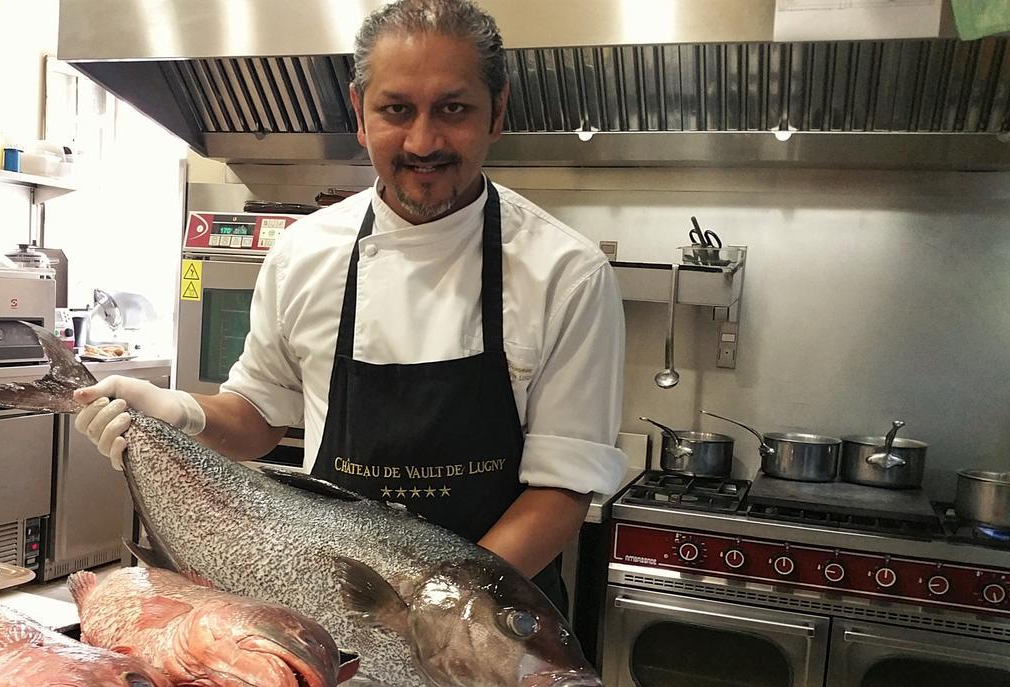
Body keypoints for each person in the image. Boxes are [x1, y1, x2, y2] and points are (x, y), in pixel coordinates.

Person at [74, 0, 625, 611]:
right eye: (396, 109)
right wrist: (179, 414)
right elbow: (261, 419)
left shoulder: (566, 273)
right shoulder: (304, 253)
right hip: (331, 615)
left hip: (491, 628)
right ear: (360, 113)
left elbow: (561, 491)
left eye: (453, 108)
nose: (423, 140)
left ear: (497, 112)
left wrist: (438, 616)